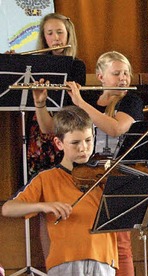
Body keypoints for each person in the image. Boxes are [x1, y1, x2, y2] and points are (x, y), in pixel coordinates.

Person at [32, 51, 142, 276]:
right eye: (116, 73)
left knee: (120, 243)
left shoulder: (131, 99)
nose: (123, 78)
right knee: (56, 225)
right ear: (100, 76)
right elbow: (50, 129)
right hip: (77, 176)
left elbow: (116, 128)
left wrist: (79, 102)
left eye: (126, 73)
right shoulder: (91, 99)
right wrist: (41, 104)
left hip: (112, 177)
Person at [2, 107, 118, 276]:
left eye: (88, 140)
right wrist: (43, 205)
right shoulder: (47, 178)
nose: (84, 148)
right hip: (64, 264)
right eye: (75, 143)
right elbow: (8, 208)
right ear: (58, 143)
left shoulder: (105, 176)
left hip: (104, 260)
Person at [28, 13, 86, 179]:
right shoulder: (35, 64)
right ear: (44, 37)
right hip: (40, 127)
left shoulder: (76, 65)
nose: (56, 38)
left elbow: (71, 105)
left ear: (68, 34)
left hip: (66, 127)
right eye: (50, 33)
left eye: (60, 32)